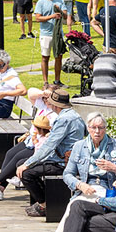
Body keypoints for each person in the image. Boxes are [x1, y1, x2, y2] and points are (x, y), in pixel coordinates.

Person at [58, 113, 116, 231]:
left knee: (76, 209)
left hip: (109, 192)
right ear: (88, 128)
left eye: (101, 127)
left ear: (105, 128)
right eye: (93, 127)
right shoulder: (79, 146)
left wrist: (115, 168)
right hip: (87, 190)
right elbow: (67, 174)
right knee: (73, 207)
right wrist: (80, 185)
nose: (97, 131)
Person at [18, 87, 86, 218]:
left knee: (25, 173)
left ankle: (45, 204)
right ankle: (45, 200)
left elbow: (49, 146)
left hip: (62, 163)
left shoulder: (64, 119)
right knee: (21, 163)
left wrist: (28, 163)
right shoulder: (75, 115)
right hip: (67, 159)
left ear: (56, 105)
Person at [0, 89, 55, 200]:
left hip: (39, 144)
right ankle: (0, 188)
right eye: (45, 98)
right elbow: (31, 92)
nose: (46, 100)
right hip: (30, 140)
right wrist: (43, 94)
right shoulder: (43, 106)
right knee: (10, 153)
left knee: (18, 158)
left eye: (49, 99)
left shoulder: (55, 113)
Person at [34, 0, 68, 88]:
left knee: (58, 57)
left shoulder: (60, 1)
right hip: (46, 34)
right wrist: (51, 16)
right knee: (45, 57)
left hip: (58, 34)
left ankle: (57, 80)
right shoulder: (41, 2)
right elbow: (38, 18)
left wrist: (60, 11)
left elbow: (66, 16)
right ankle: (45, 81)